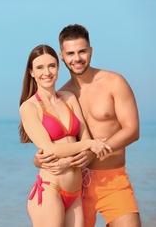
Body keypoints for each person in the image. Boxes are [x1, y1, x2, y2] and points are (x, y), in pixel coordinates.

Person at [33, 24, 141, 227]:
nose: (77, 58)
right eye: (70, 53)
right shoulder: (63, 96)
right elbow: (57, 141)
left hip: (112, 181)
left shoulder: (114, 82)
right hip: (74, 183)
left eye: (82, 51)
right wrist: (39, 159)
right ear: (62, 56)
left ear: (90, 51)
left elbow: (132, 130)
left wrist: (94, 152)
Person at [19, 44, 112, 227]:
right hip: (49, 191)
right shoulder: (29, 108)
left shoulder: (69, 98)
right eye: (40, 67)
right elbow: (50, 149)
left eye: (52, 66)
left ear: (58, 67)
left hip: (75, 193)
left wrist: (74, 156)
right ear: (31, 72)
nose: (47, 72)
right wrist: (91, 144)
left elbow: (84, 139)